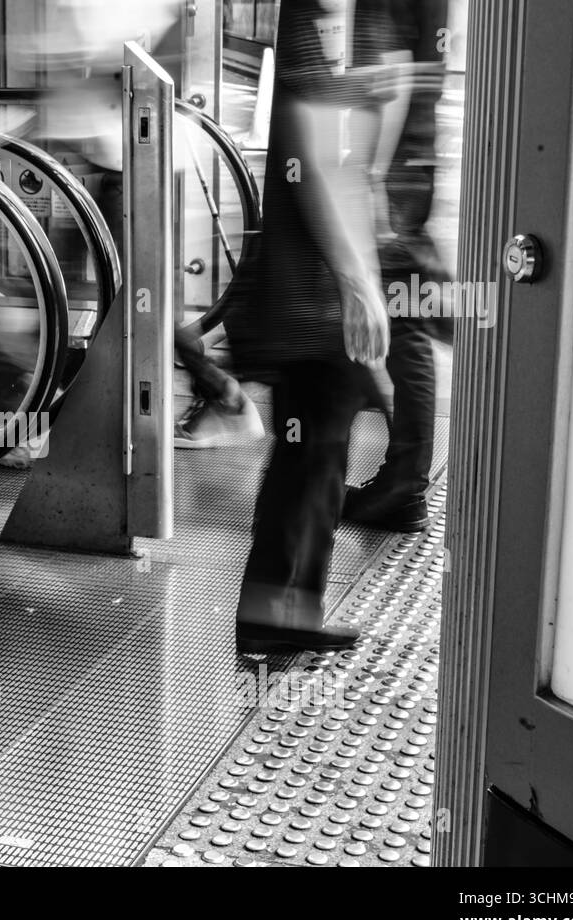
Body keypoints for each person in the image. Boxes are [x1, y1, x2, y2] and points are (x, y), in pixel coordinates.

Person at [18, 0, 265, 448]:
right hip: (108, 158)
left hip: (122, 163)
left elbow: (91, 56)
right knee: (82, 291)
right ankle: (57, 407)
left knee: (128, 295)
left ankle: (221, 396)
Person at [230, 0, 391, 654]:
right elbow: (318, 151)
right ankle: (274, 619)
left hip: (322, 276)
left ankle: (283, 614)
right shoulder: (322, 14)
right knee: (311, 452)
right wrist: (358, 279)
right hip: (312, 284)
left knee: (315, 453)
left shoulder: (343, 16)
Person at [342, 0, 449, 532]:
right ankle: (402, 481)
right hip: (408, 150)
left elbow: (391, 72)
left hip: (393, 158)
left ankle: (404, 486)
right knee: (402, 310)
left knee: (402, 321)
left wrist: (372, 178)